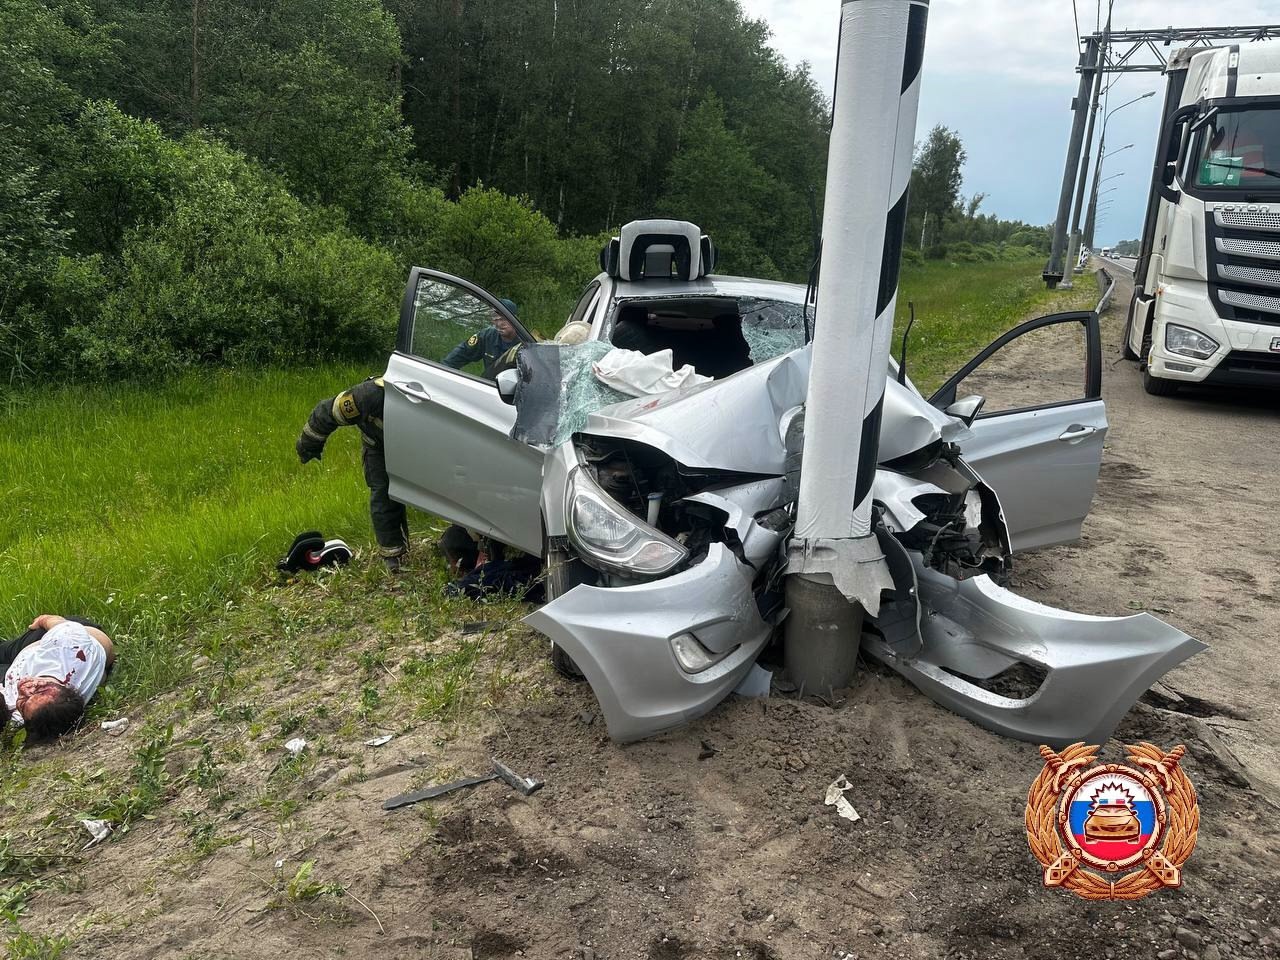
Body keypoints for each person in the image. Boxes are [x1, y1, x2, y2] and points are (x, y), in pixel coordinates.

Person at [296, 377, 409, 571]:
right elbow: (326, 412)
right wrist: (308, 446)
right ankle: (392, 555)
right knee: (383, 494)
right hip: (377, 447)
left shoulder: (431, 402)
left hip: (412, 448)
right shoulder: (367, 397)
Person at [1, 615, 114, 740]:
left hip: (21, 665)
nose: (24, 689)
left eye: (22, 704)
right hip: (69, 632)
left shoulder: (36, 714)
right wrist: (43, 620)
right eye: (40, 689)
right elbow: (57, 623)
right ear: (67, 689)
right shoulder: (71, 649)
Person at [442, 298, 523, 378]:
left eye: (503, 319)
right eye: (495, 319)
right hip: (487, 385)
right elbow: (459, 355)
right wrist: (442, 373)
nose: (499, 324)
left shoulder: (526, 343)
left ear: (516, 319)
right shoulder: (487, 336)